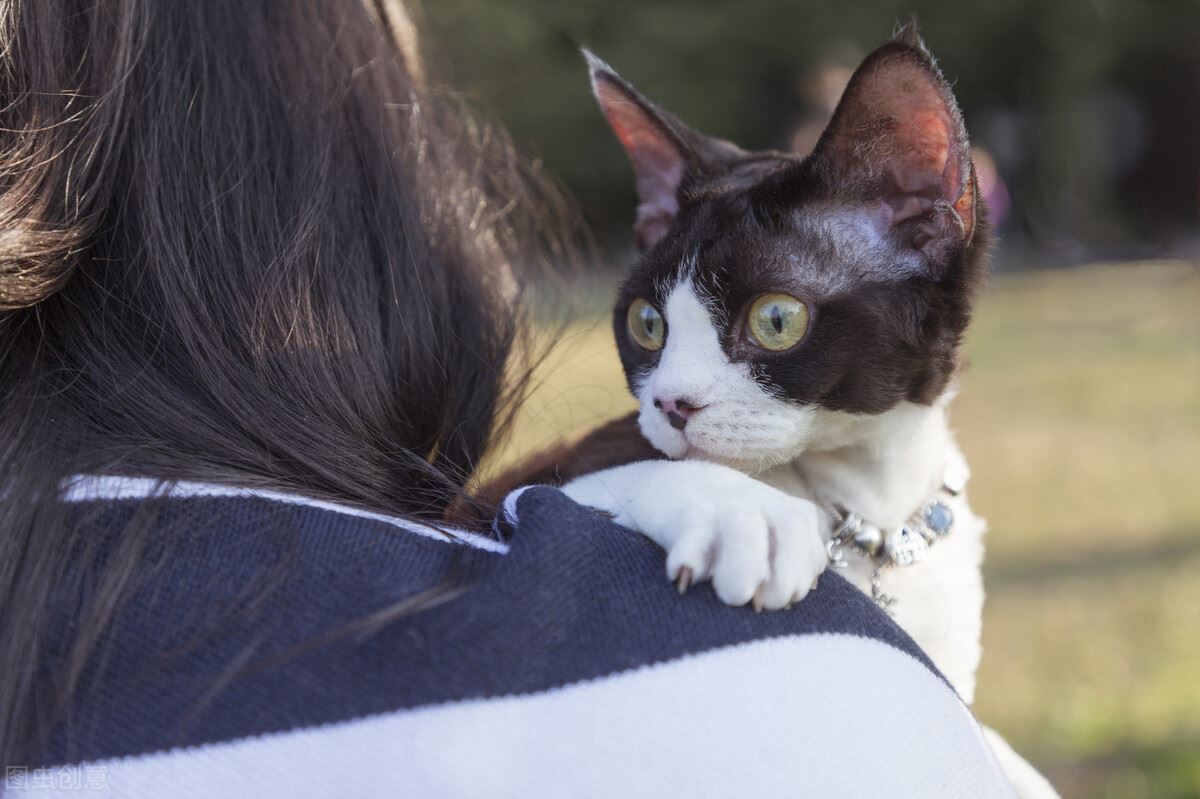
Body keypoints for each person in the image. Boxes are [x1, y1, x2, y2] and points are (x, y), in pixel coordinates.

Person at [0, 1, 1014, 796]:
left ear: (924, 229)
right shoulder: (636, 506)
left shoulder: (933, 521)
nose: (676, 397)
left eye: (774, 326)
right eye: (652, 331)